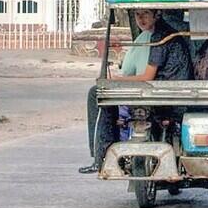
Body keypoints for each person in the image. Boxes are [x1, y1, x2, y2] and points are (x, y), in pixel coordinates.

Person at [80, 9, 193, 174]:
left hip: (164, 94)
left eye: (145, 14)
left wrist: (116, 81)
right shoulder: (163, 33)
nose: (141, 19)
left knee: (96, 93)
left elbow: (147, 75)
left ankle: (100, 157)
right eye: (137, 15)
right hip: (167, 92)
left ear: (156, 14)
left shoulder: (160, 36)